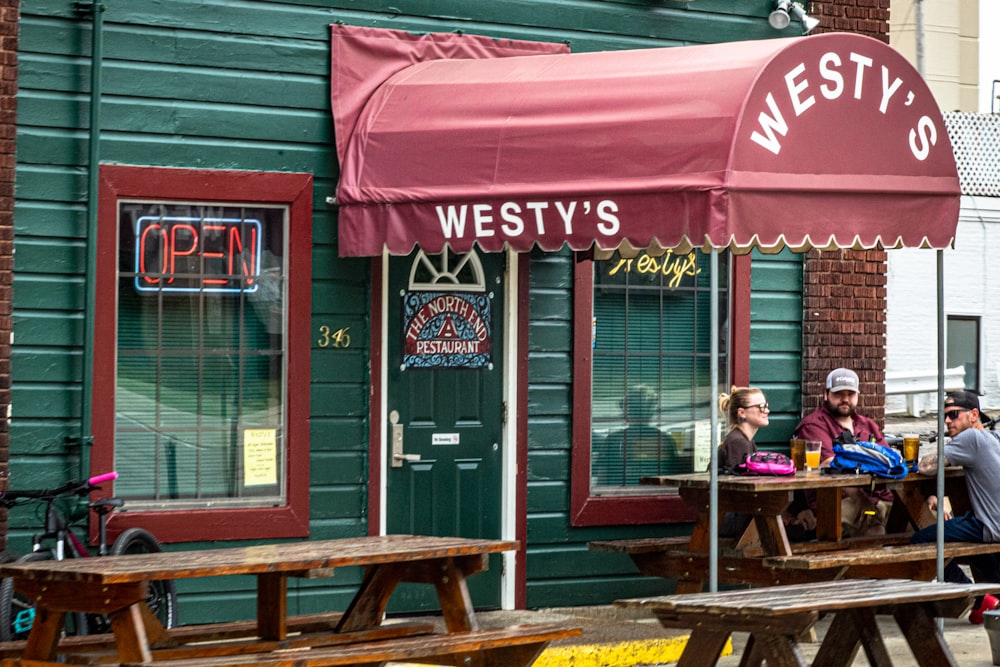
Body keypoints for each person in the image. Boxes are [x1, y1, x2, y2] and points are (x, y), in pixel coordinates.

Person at [911, 390, 1000, 624]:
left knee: (919, 541)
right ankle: (993, 595)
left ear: (973, 415)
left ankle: (974, 599)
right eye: (944, 416)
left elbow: (927, 467)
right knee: (975, 545)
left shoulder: (970, 438)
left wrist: (916, 461)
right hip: (993, 526)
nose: (947, 421)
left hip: (990, 526)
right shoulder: (995, 438)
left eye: (953, 415)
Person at [793, 368, 893, 537]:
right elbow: (831, 465)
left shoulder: (867, 424)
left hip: (882, 499)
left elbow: (889, 461)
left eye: (850, 394)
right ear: (826, 395)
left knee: (928, 517)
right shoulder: (813, 426)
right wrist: (870, 463)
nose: (845, 399)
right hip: (838, 502)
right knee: (873, 527)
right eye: (839, 394)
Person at [718, 385, 815, 541]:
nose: (767, 411)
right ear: (742, 413)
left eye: (767, 406)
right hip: (730, 520)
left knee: (803, 531)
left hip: (743, 514)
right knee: (801, 533)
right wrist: (778, 513)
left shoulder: (747, 442)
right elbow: (742, 491)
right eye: (761, 407)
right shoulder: (737, 443)